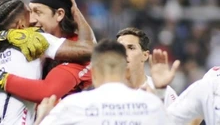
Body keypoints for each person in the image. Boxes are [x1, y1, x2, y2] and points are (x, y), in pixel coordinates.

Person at [0, 0, 95, 125]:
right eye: (30, 12)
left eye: (38, 12)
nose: (34, 18)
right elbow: (91, 50)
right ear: (20, 25)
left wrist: (0, 77)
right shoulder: (34, 38)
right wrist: (8, 35)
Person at [34, 39, 170, 125]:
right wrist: (160, 92)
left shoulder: (72, 105)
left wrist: (42, 117)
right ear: (126, 71)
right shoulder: (150, 103)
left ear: (93, 72)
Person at [116, 27, 178, 107]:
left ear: (145, 55)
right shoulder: (108, 92)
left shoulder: (163, 91)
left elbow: (189, 119)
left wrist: (159, 95)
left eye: (131, 48)